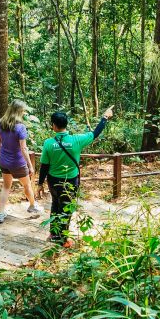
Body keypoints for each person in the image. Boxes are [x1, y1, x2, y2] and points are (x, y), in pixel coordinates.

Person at [37, 106, 114, 247]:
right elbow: (95, 133)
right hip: (71, 180)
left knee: (55, 204)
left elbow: (44, 166)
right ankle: (62, 239)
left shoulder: (48, 143)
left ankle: (54, 234)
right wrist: (105, 117)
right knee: (66, 207)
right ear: (66, 124)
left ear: (53, 125)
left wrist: (40, 184)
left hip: (53, 181)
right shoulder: (77, 140)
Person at [0, 99, 40, 223]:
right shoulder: (20, 127)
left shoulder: (0, 123)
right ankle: (32, 205)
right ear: (19, 111)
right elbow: (23, 148)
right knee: (27, 185)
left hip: (4, 161)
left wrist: (2, 152)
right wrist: (30, 165)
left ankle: (1, 213)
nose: (24, 113)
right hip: (18, 162)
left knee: (6, 186)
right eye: (23, 111)